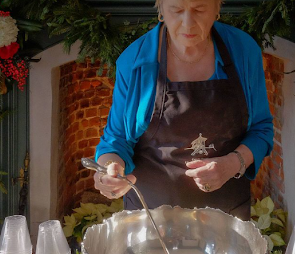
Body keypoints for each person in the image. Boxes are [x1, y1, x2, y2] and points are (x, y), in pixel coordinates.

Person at [92, 0, 274, 219]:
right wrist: (109, 170)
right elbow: (116, 140)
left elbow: (261, 130)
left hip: (227, 217)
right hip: (150, 217)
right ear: (160, 8)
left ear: (217, 8)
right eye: (176, 10)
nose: (188, 23)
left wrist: (232, 164)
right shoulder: (134, 61)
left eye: (199, 9)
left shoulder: (243, 51)